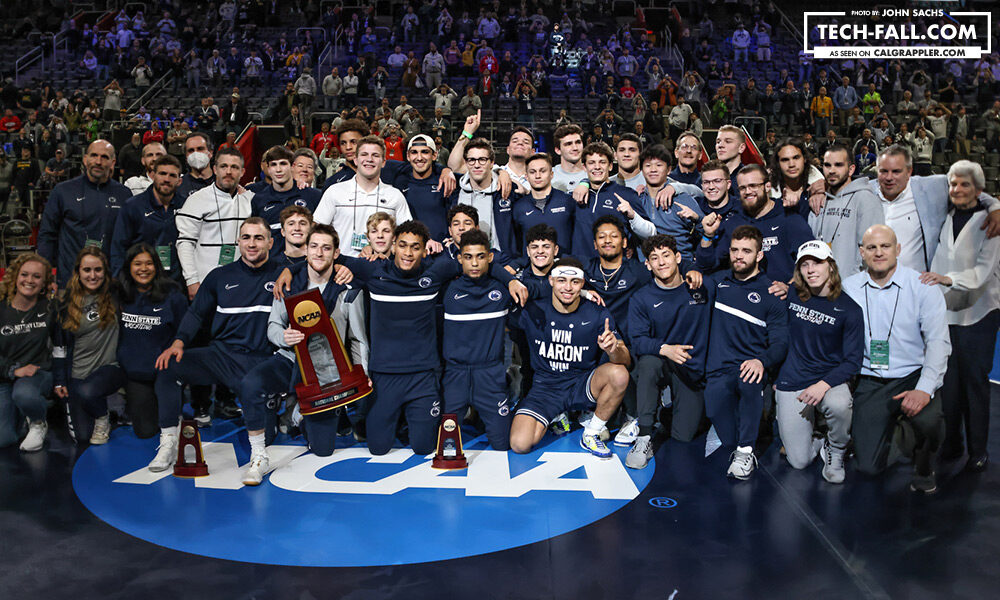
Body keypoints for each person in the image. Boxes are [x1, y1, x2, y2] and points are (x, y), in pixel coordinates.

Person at [297, 220, 523, 457]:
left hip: (423, 378)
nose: (408, 252)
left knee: (424, 448)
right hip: (384, 377)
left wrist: (511, 280)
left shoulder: (434, 273)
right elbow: (325, 258)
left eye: (415, 247)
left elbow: (479, 263)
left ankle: (409, 422)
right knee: (378, 448)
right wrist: (287, 271)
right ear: (393, 246)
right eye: (402, 245)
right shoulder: (374, 272)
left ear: (425, 250)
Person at [148, 218, 283, 471]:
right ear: (238, 241)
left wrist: (289, 269)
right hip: (221, 356)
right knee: (169, 366)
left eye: (258, 238)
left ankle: (263, 443)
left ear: (270, 242)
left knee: (270, 434)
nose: (251, 244)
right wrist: (178, 342)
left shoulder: (283, 274)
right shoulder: (220, 276)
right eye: (246, 237)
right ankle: (168, 442)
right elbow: (197, 313)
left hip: (260, 362)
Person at [240, 224, 351, 485]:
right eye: (314, 246)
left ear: (336, 253)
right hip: (289, 358)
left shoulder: (346, 287)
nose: (319, 253)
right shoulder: (288, 284)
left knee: (322, 449)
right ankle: (258, 456)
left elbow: (356, 339)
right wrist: (284, 337)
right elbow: (273, 327)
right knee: (250, 384)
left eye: (326, 248)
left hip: (325, 371)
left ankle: (297, 411)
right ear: (306, 250)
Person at [843, 225, 950, 493]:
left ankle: (924, 463)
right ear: (862, 253)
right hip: (870, 379)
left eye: (885, 246)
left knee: (930, 421)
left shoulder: (922, 287)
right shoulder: (848, 287)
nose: (879, 253)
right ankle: (900, 428)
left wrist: (924, 390)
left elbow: (939, 343)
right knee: (868, 467)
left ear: (898, 249)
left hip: (912, 375)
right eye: (871, 247)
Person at [921, 161, 1000, 472]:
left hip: (979, 313)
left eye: (965, 185)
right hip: (946, 314)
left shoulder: (990, 223)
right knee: (948, 385)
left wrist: (946, 279)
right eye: (953, 184)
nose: (956, 190)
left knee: (975, 385)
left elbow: (983, 273)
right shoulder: (944, 215)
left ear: (979, 191)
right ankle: (951, 444)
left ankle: (978, 450)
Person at [509, 257, 631, 457]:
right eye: (562, 280)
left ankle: (591, 433)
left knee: (619, 373)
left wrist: (612, 350)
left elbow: (625, 359)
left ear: (582, 283)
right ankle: (556, 415)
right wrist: (511, 280)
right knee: (519, 444)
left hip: (581, 385)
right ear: (551, 281)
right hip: (545, 388)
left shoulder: (597, 312)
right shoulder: (533, 310)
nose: (568, 287)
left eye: (575, 282)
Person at [704, 225, 789, 479]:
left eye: (746, 251)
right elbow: (690, 272)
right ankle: (743, 437)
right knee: (728, 436)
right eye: (735, 250)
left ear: (759, 255)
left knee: (749, 380)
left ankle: (746, 452)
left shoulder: (772, 293)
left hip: (748, 368)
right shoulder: (718, 282)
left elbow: (780, 343)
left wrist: (762, 361)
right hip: (717, 371)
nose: (739, 256)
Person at [775, 241, 864, 483]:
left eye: (817, 263)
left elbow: (853, 362)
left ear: (831, 267)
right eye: (804, 265)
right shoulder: (791, 295)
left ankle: (836, 448)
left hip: (828, 380)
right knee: (798, 462)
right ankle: (816, 438)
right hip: (792, 379)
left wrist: (823, 385)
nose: (811, 269)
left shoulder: (850, 309)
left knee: (839, 404)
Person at [626, 235, 711, 466]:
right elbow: (638, 341)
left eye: (666, 256)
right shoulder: (641, 298)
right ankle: (644, 436)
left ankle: (666, 413)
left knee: (683, 436)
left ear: (678, 258)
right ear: (647, 264)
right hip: (662, 361)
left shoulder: (701, 288)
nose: (661, 262)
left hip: (691, 369)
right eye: (654, 258)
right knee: (648, 363)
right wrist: (666, 349)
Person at [442, 229, 520, 450]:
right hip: (455, 375)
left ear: (490, 257)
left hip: (490, 374)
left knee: (503, 444)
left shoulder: (502, 290)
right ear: (459, 259)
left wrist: (511, 280)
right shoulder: (447, 290)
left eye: (480, 256)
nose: (474, 263)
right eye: (468, 257)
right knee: (438, 444)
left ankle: (510, 382)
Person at [868, 145, 1000, 273]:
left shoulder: (932, 188)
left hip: (916, 285)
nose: (889, 177)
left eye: (896, 171)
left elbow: (969, 191)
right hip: (872, 285)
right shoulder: (865, 192)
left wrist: (994, 207)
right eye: (884, 171)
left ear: (909, 171)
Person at [698, 164, 813, 290]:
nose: (748, 192)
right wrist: (707, 236)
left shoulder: (789, 218)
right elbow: (708, 265)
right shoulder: (734, 222)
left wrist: (790, 287)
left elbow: (811, 260)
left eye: (753, 186)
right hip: (744, 297)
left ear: (767, 186)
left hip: (781, 299)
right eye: (742, 188)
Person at [53, 247, 126, 445]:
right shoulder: (65, 304)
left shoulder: (115, 293)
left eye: (98, 270)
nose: (93, 276)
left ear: (105, 271)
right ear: (78, 272)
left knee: (88, 392)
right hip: (78, 373)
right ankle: (102, 408)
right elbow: (59, 347)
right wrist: (60, 380)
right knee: (82, 437)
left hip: (110, 367)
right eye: (87, 270)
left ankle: (103, 417)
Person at [116, 243, 188, 439]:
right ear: (129, 267)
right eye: (137, 264)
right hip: (136, 373)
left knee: (169, 422)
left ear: (156, 266)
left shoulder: (173, 295)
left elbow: (185, 332)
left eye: (149, 263)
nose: (143, 269)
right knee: (145, 431)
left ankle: (176, 403)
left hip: (165, 371)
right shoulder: (120, 294)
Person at [38, 140, 131, 288]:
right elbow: (47, 235)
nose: (98, 161)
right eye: (94, 155)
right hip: (70, 282)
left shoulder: (124, 194)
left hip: (110, 284)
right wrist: (45, 274)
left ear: (113, 162)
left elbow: (128, 240)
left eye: (104, 157)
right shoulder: (62, 191)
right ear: (85, 159)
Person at [175, 147, 254, 301]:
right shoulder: (196, 200)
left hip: (242, 284)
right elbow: (185, 243)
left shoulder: (251, 199)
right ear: (215, 169)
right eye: (224, 166)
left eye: (234, 167)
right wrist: (192, 281)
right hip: (206, 283)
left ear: (243, 172)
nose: (229, 171)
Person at [313, 136, 410, 257]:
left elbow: (406, 237)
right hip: (341, 268)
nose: (369, 159)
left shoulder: (395, 195)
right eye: (364, 154)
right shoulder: (334, 192)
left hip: (380, 268)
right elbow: (317, 231)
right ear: (355, 159)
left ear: (384, 162)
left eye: (375, 155)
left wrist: (388, 250)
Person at [0, 254, 56, 451]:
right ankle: (19, 414)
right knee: (4, 439)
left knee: (24, 393)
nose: (29, 281)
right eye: (24, 274)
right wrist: (13, 370)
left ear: (45, 283)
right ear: (15, 276)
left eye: (37, 277)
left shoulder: (50, 309)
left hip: (37, 374)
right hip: (5, 377)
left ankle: (38, 421)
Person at [809, 144, 884, 274]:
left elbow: (873, 251)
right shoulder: (819, 201)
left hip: (851, 289)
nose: (831, 170)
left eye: (838, 165)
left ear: (851, 170)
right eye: (827, 165)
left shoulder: (865, 199)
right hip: (820, 287)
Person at [111, 155, 184, 278]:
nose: (166, 179)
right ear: (153, 175)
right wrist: (120, 281)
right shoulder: (133, 206)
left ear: (179, 181)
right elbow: (119, 247)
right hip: (141, 282)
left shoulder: (186, 206)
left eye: (172, 175)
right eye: (162, 173)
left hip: (176, 283)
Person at [571, 142, 644, 261]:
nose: (597, 167)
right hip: (583, 269)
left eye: (602, 162)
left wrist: (631, 245)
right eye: (591, 163)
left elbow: (647, 233)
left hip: (617, 270)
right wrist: (584, 182)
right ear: (584, 167)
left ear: (610, 166)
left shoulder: (627, 195)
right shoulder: (574, 197)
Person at [381, 134, 456, 243]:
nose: (419, 157)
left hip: (439, 250)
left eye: (425, 152)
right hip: (408, 251)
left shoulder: (445, 181)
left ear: (434, 155)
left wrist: (447, 170)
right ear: (408, 156)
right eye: (414, 152)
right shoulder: (398, 178)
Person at [250, 145, 322, 248]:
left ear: (292, 166)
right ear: (268, 169)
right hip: (271, 262)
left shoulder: (313, 196)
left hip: (304, 261)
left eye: (283, 164)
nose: (278, 169)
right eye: (273, 165)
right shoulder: (259, 199)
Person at [512, 153, 575, 256]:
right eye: (532, 172)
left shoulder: (567, 201)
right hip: (531, 269)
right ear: (526, 176)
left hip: (564, 267)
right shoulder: (519, 207)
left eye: (543, 171)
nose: (537, 176)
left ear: (551, 174)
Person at [176, 132, 215, 201]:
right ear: (186, 156)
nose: (195, 153)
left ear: (210, 153)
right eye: (191, 150)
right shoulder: (179, 185)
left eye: (200, 149)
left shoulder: (223, 182)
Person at [551, 124, 588, 193]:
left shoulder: (594, 173)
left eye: (578, 142)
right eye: (568, 144)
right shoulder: (548, 175)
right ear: (558, 150)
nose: (575, 148)